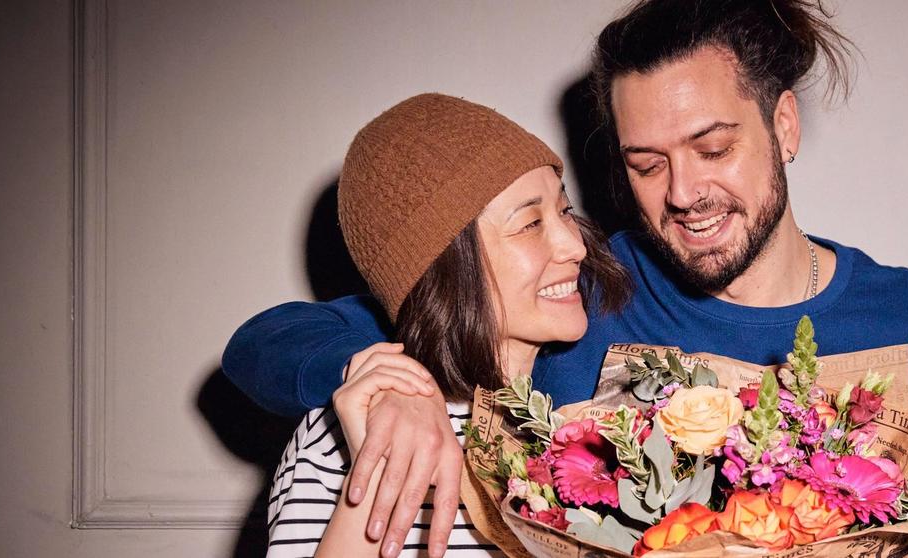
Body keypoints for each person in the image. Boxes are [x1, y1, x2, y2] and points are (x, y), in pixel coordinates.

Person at [229, 1, 908, 557]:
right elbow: (278, 336)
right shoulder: (591, 293)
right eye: (647, 163)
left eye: (713, 149)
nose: (682, 193)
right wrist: (380, 382)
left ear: (784, 127)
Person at [264, 93, 632, 557]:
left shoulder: (574, 434)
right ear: (445, 269)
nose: (573, 246)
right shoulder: (355, 434)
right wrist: (379, 478)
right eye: (529, 224)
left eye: (563, 211)